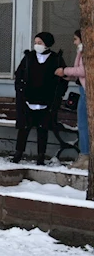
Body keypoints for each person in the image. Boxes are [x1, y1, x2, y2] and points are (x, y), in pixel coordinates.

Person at [13, 32, 67, 165]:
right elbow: (19, 75)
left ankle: (41, 156)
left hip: (47, 101)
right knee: (24, 128)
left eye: (40, 43)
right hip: (27, 99)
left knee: (43, 129)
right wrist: (20, 91)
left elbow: (62, 80)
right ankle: (18, 153)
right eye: (35, 42)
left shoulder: (56, 59)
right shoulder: (28, 57)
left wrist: (58, 95)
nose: (37, 45)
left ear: (47, 44)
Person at [57, 30, 88, 169]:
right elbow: (79, 73)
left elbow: (83, 71)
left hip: (87, 91)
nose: (74, 42)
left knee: (83, 124)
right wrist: (66, 75)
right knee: (83, 124)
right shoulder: (81, 52)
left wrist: (65, 71)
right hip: (83, 89)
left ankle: (85, 155)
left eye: (75, 39)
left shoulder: (86, 52)